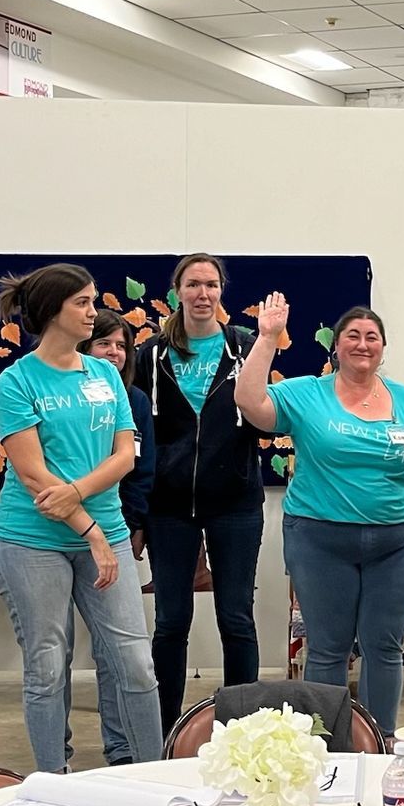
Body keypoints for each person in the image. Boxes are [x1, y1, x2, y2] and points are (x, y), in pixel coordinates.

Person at [0, 264, 163, 772]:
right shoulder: (15, 381)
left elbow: (125, 455)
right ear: (52, 311)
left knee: (134, 662)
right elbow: (32, 474)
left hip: (101, 529)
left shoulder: (105, 373)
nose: (92, 312)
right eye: (82, 303)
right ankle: (54, 778)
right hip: (32, 541)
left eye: (92, 302)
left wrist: (83, 503)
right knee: (47, 665)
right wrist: (90, 532)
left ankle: (149, 773)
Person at [235, 296, 404, 734]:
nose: (362, 344)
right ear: (336, 347)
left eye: (371, 337)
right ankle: (328, 745)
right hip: (320, 539)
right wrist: (266, 339)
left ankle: (379, 742)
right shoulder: (306, 393)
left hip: (397, 540)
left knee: (384, 648)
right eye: (352, 337)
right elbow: (249, 403)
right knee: (328, 648)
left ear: (382, 348)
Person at [136, 253, 265, 734]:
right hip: (169, 507)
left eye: (211, 285)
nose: (203, 294)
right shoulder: (151, 354)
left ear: (221, 291)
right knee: (171, 622)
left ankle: (243, 728)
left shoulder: (244, 347)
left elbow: (261, 411)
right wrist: (139, 512)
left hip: (235, 503)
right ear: (178, 291)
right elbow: (139, 434)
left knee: (236, 617)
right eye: (193, 285)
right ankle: (164, 727)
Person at [64, 309, 155, 762]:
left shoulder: (134, 399)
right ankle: (56, 754)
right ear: (85, 347)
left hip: (115, 529)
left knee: (119, 653)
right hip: (55, 529)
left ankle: (122, 749)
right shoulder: (57, 391)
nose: (115, 353)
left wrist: (135, 525)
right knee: (52, 656)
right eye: (105, 344)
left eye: (122, 346)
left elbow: (140, 467)